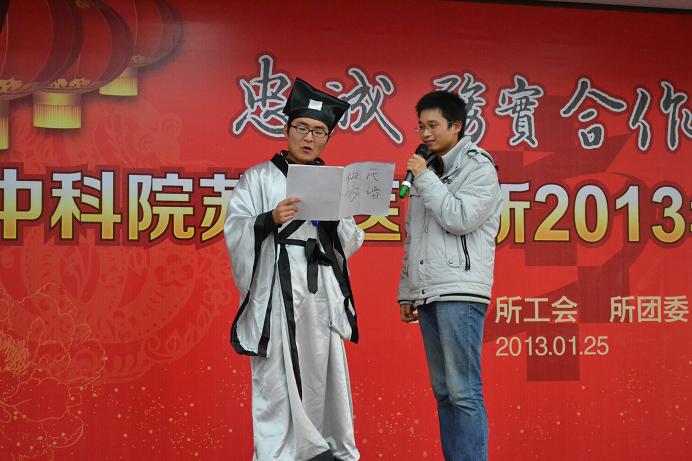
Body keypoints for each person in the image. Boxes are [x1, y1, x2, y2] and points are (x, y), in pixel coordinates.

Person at [224, 78, 363, 461]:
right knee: (276, 381)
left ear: (327, 139)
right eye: (302, 127)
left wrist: (334, 222)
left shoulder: (333, 184)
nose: (309, 137)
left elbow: (351, 240)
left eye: (319, 132)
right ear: (286, 130)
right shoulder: (259, 178)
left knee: (323, 375)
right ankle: (279, 453)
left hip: (319, 293)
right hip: (276, 293)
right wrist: (268, 220)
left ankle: (323, 448)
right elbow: (235, 228)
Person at [397, 90, 503, 461]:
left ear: (456, 126)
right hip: (428, 291)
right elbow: (414, 237)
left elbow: (460, 218)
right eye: (420, 127)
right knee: (444, 392)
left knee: (463, 391)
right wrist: (407, 290)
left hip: (460, 291)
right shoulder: (428, 169)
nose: (425, 134)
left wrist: (424, 178)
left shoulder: (478, 166)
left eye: (433, 125)